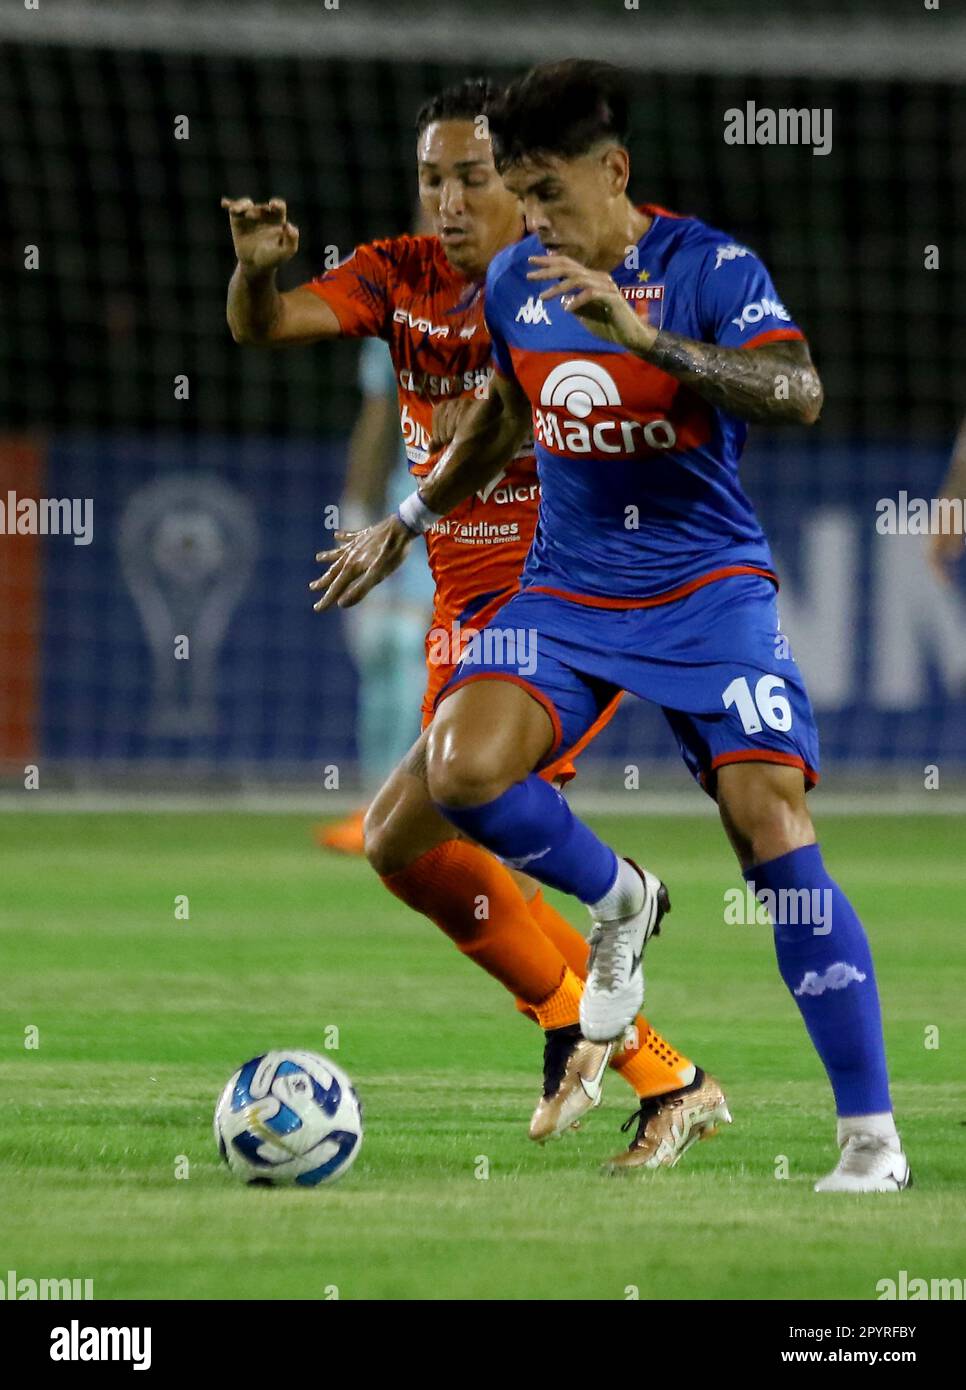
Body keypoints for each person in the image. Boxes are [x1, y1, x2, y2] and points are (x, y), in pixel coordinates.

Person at [313, 60, 910, 1192]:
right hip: (568, 592)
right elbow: (502, 414)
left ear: (614, 172)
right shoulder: (515, 285)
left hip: (706, 591)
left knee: (768, 828)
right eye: (518, 196)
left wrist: (650, 341)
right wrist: (408, 516)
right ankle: (624, 895)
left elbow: (799, 391)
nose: (530, 220)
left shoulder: (708, 266)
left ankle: (869, 1140)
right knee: (458, 766)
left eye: (546, 192)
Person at [225, 78, 725, 1166]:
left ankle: (623, 949)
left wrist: (517, 419)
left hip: (562, 598)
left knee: (460, 803)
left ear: (527, 185)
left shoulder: (568, 289)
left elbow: (632, 425)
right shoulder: (398, 275)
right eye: (432, 178)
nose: (449, 199)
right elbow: (267, 326)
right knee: (407, 844)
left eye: (474, 177)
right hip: (463, 603)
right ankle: (652, 1065)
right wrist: (256, 273)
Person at [317, 337, 434, 855]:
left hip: (487, 506)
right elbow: (378, 419)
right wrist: (355, 512)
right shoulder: (397, 320)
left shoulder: (503, 304)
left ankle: (435, 808)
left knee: (429, 650)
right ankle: (380, 802)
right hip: (406, 507)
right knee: (387, 648)